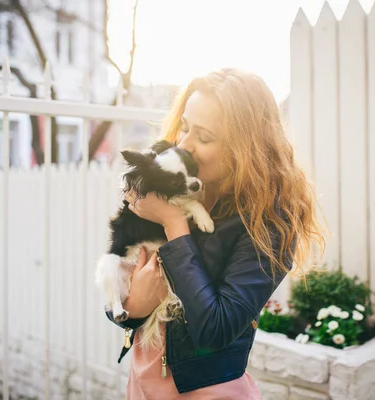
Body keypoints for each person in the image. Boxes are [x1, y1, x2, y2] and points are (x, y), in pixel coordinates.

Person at [106, 68, 326, 399]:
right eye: (184, 127)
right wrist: (131, 307)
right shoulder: (167, 186)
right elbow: (117, 274)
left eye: (204, 137)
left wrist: (174, 224)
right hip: (144, 385)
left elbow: (215, 329)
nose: (184, 144)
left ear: (245, 147)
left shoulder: (269, 221)